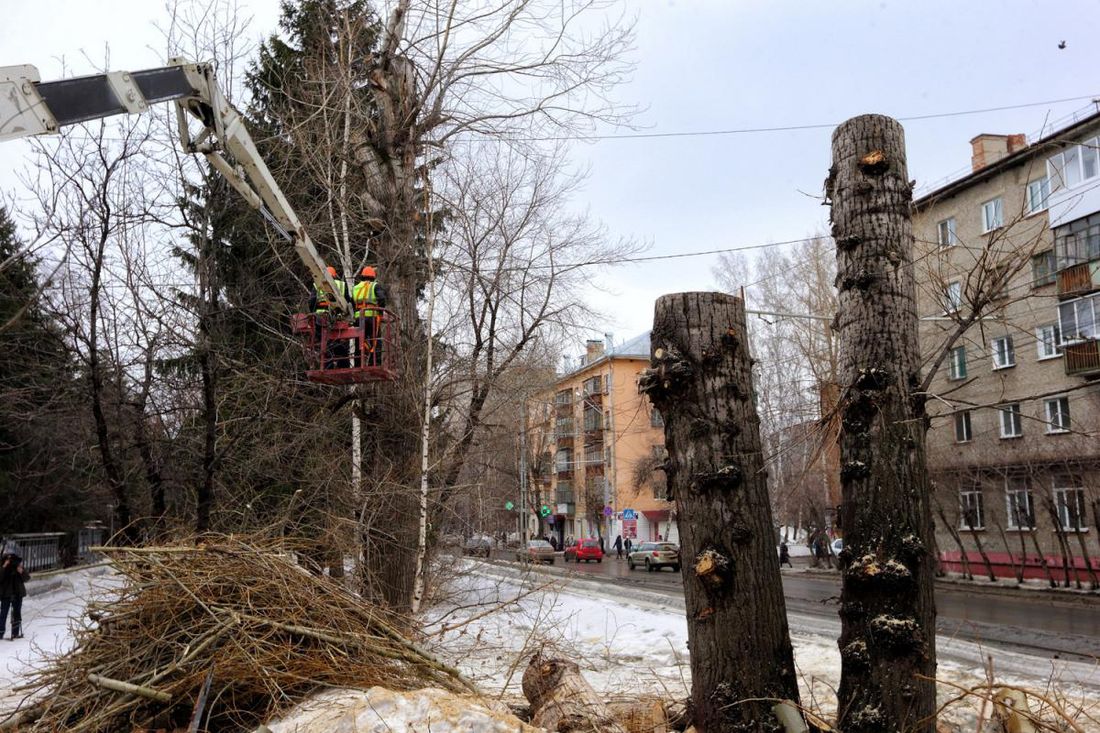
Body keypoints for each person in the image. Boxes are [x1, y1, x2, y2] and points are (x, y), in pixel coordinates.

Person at [309, 266, 352, 369]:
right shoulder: (341, 284)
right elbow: (348, 301)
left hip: (320, 318)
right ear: (334, 275)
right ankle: (343, 365)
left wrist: (313, 313)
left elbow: (312, 301)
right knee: (338, 341)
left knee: (324, 341)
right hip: (338, 319)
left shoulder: (317, 285)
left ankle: (328, 365)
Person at [352, 266, 386, 366]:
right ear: (373, 277)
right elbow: (382, 299)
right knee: (376, 340)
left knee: (359, 341)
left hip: (359, 318)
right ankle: (375, 363)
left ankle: (358, 364)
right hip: (372, 317)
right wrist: (380, 312)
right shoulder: (375, 286)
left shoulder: (355, 288)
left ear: (362, 276)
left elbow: (352, 302)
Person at [0, 549, 30, 640]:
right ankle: (0, 632)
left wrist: (21, 571)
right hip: (5, 593)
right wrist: (4, 566)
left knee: (17, 612)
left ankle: (15, 633)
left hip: (17, 592)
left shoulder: (18, 564)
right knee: (3, 613)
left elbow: (27, 578)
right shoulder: (2, 565)